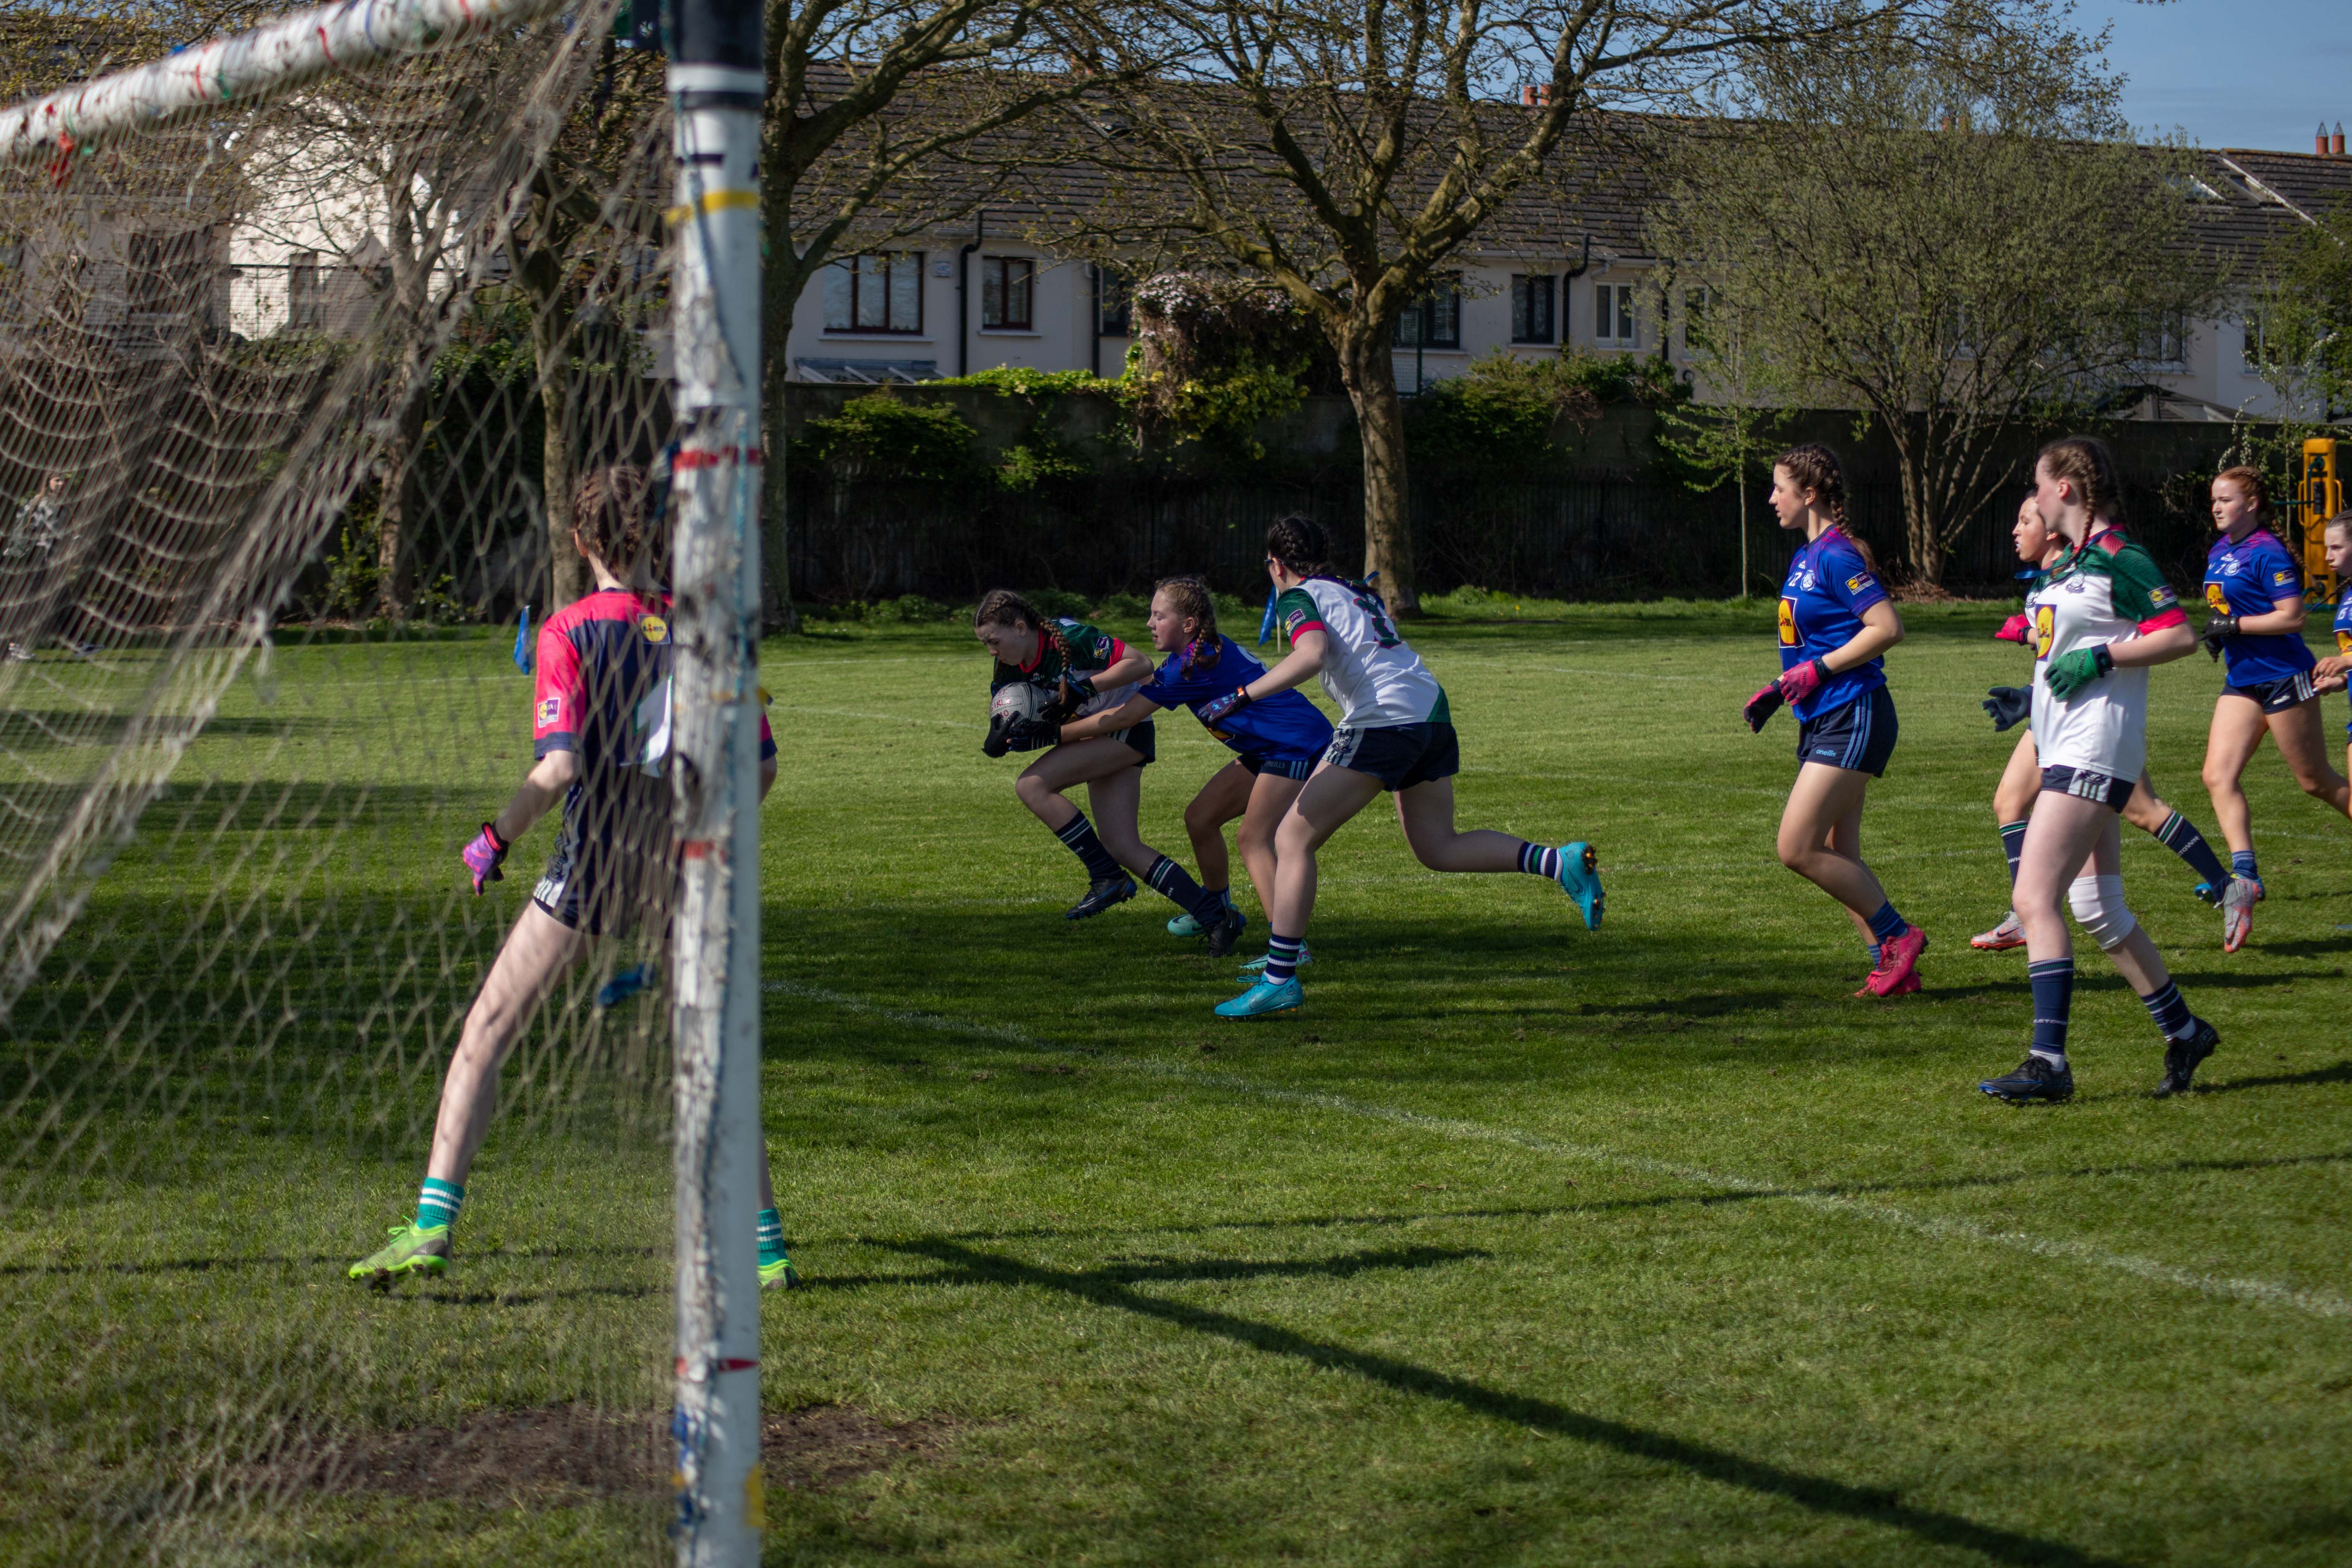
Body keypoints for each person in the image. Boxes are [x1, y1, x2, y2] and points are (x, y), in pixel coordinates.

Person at [348, 466, 793, 1288]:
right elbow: (761, 765)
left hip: (592, 865)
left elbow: (558, 770)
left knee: (487, 1030)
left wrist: (493, 837)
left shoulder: (570, 629)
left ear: (580, 539)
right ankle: (766, 1251)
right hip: (685, 868)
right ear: (655, 534)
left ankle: (431, 1226)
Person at [1203, 516, 1601, 1021]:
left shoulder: (1298, 595)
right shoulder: (1351, 588)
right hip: (1429, 711)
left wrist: (1243, 694)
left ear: (1276, 565)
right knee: (1438, 846)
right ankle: (1558, 862)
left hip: (1385, 719)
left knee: (1290, 838)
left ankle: (1280, 978)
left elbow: (1312, 654)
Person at [1978, 436, 2218, 1104]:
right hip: (2065, 744)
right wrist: (2031, 696)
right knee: (2095, 907)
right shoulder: (2072, 564)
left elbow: (2179, 633)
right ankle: (2185, 1031)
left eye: (2037, 484)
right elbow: (2070, 648)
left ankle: (2048, 1062)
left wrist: (2103, 659)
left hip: (2094, 749)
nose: (2032, 497)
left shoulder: (2119, 555)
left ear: (2064, 489)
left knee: (2033, 899)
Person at [1020, 575, 1334, 959]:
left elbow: (1126, 716)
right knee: (1200, 818)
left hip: (1296, 744)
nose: (1149, 623)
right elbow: (1146, 679)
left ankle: (1289, 949)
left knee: (1253, 838)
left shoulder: (1192, 665)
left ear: (1188, 624)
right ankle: (1218, 911)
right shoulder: (1192, 657)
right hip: (1269, 747)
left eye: (1159, 616)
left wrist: (1051, 734)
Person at [1973, 496, 2233, 950]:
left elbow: (2123, 639)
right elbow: (2059, 652)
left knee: (2143, 811)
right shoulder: (2047, 581)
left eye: (2025, 519)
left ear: (2052, 527)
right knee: (2010, 802)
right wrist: (2031, 693)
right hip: (2057, 717)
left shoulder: (2102, 562)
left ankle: (2228, 886)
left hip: (2092, 726)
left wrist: (2041, 644)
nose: (2015, 529)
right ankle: (2023, 915)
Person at [1741, 443, 1925, 998]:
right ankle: (1890, 968)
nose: (1771, 498)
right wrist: (1781, 687)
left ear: (1809, 492)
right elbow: (1814, 642)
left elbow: (1886, 627)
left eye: (1779, 487)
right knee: (1836, 852)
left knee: (1796, 847)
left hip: (1854, 712)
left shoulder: (1836, 556)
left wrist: (1816, 671)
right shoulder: (1806, 556)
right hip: (1825, 715)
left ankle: (1899, 935)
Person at [977, 589, 1230, 932]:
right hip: (1098, 735)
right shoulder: (1008, 665)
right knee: (1122, 846)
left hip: (1125, 727)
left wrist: (1084, 689)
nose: (992, 651)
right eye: (985, 644)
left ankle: (1106, 875)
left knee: (1032, 786)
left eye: (994, 641)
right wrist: (1000, 740)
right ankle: (1215, 917)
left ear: (1021, 628)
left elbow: (1140, 664)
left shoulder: (1069, 637)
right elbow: (1009, 718)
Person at [2196, 466, 2350, 952]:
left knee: (2316, 782)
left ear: (2252, 504)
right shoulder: (2219, 551)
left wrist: (2234, 626)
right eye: (2214, 499)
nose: (2216, 507)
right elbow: (2230, 608)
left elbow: (2293, 617)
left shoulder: (2267, 552)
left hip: (2284, 676)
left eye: (2225, 499)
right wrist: (2220, 628)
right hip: (2242, 680)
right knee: (2216, 775)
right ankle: (2245, 877)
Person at [3, 472, 67, 661]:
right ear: (48, 483)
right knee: (23, 604)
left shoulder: (38, 502)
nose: (61, 484)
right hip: (33, 558)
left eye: (63, 480)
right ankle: (12, 647)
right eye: (57, 480)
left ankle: (12, 646)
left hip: (25, 556)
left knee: (24, 604)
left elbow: (20, 519)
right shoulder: (47, 504)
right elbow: (57, 531)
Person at [2309, 514, 2352, 768]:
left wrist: (2345, 661)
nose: (2328, 556)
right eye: (2328, 548)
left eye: (2337, 548)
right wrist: (2343, 682)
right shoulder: (2349, 594)